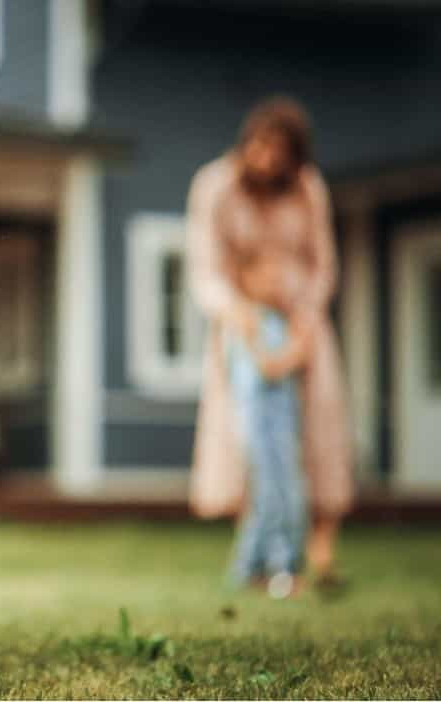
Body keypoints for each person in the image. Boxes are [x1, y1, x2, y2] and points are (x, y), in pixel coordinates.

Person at [186, 97, 354, 595]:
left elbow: (323, 267)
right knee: (262, 447)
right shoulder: (214, 184)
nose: (267, 160)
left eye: (281, 152)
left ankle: (273, 563)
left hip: (303, 329)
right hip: (244, 326)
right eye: (261, 147)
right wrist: (247, 324)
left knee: (306, 445)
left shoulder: (308, 188)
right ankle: (275, 562)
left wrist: (300, 333)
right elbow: (206, 271)